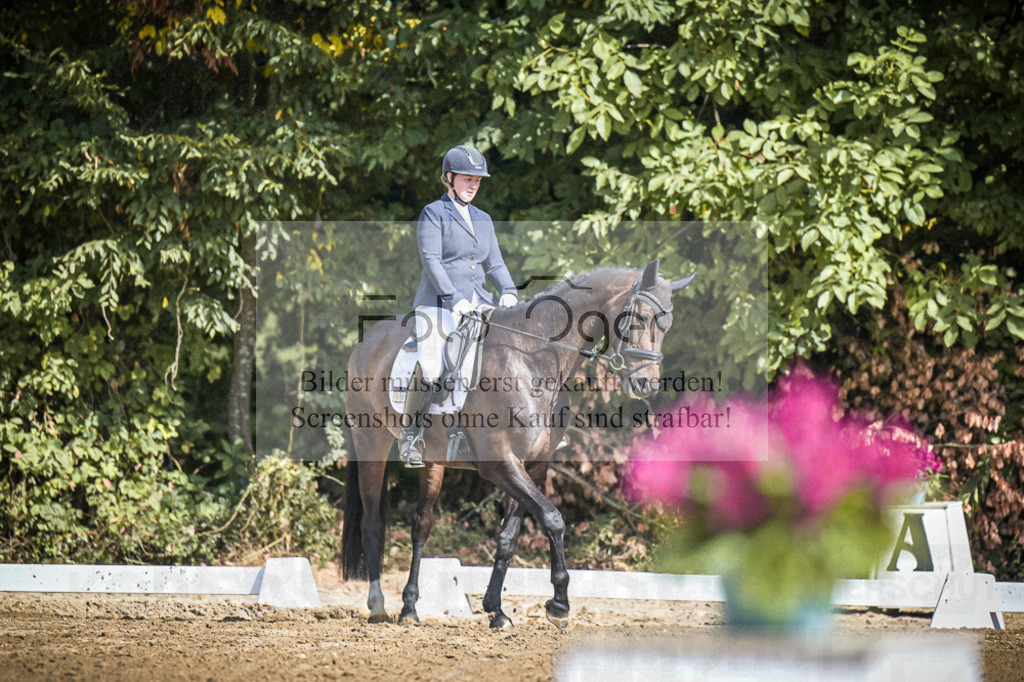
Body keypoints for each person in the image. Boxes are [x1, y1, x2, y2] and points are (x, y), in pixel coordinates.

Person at [399, 145, 519, 467]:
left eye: (477, 180)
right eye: (468, 179)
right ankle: (410, 437)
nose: (474, 185)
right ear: (449, 177)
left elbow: (495, 264)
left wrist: (508, 291)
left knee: (508, 351)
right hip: (438, 303)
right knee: (432, 365)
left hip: (480, 302)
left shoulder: (483, 219)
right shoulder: (433, 213)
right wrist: (455, 300)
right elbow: (432, 261)